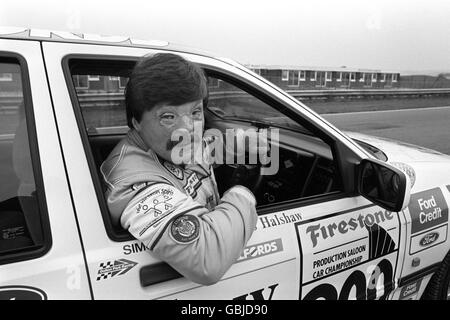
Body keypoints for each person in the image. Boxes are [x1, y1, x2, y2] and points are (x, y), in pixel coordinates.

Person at [100, 53, 258, 285]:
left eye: (195, 112)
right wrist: (241, 194)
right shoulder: (132, 182)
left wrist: (246, 141)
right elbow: (208, 259)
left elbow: (210, 147)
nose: (189, 129)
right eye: (168, 116)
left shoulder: (174, 145)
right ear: (136, 122)